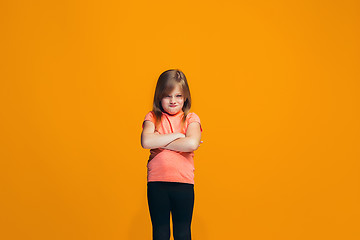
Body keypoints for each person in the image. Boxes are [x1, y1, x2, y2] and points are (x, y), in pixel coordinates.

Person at [141, 69, 203, 240]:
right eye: (168, 96)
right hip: (157, 183)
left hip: (183, 184)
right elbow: (146, 142)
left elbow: (191, 143)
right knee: (160, 232)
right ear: (159, 97)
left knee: (182, 233)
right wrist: (178, 136)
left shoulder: (191, 118)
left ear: (185, 98)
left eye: (178, 96)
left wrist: (159, 139)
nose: (173, 101)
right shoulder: (153, 117)